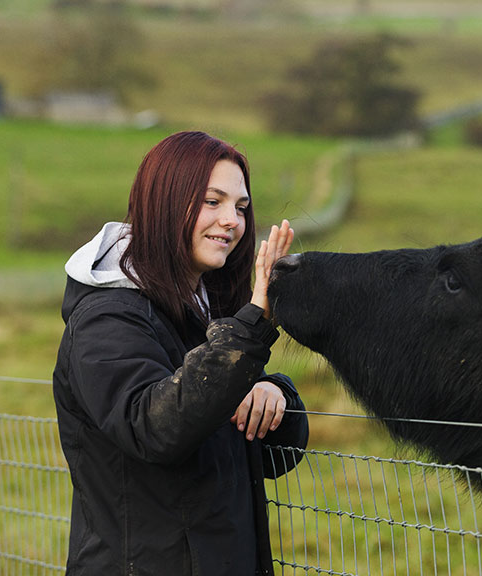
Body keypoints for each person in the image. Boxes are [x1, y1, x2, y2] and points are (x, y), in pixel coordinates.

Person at [52, 130, 308, 575]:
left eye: (241, 207)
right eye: (213, 201)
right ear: (166, 202)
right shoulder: (106, 318)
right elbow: (153, 427)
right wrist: (250, 328)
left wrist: (275, 397)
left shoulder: (204, 313)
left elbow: (267, 457)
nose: (232, 220)